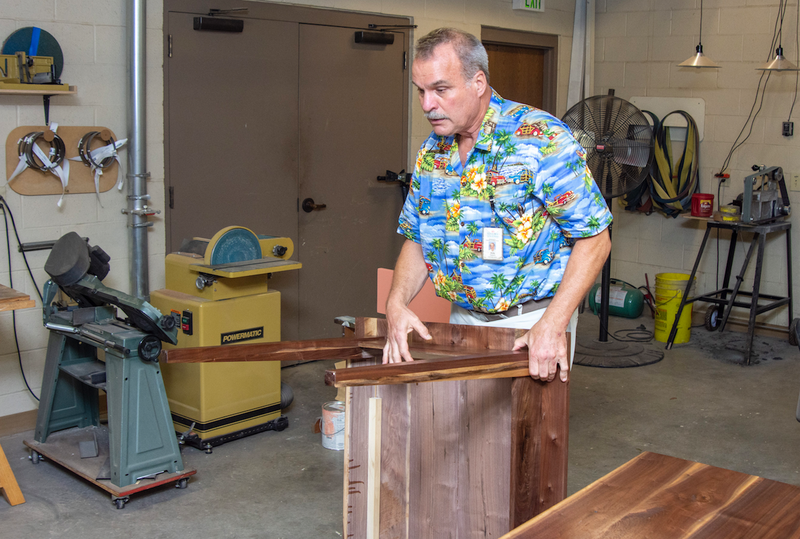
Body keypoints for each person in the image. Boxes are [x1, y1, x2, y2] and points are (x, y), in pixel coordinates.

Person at [383, 28, 612, 383]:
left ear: (478, 82)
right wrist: (396, 303)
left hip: (531, 324)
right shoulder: (433, 153)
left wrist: (552, 324)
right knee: (465, 432)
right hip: (462, 320)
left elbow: (596, 239)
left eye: (440, 90)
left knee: (524, 438)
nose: (427, 105)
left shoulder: (540, 139)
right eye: (421, 91)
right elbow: (418, 238)